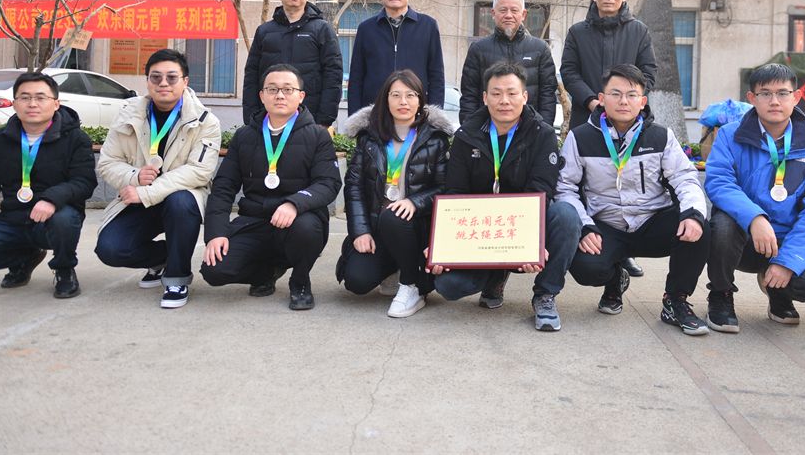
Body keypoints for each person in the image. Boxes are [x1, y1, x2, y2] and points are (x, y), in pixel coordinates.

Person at [558, 64, 711, 335]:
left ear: (642, 101)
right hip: (605, 225)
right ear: (602, 99)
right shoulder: (579, 138)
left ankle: (675, 300)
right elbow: (565, 187)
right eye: (615, 94)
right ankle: (615, 278)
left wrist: (693, 214)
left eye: (631, 95)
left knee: (700, 229)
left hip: (652, 221)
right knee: (585, 267)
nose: (623, 101)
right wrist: (584, 226)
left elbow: (685, 178)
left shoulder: (660, 136)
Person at [430, 62, 580, 332]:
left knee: (567, 216)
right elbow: (454, 194)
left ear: (525, 96)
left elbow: (541, 190)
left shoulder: (543, 134)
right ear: (485, 98)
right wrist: (443, 245)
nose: (504, 101)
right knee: (448, 286)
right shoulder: (466, 136)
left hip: (524, 225)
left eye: (512, 93)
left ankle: (545, 293)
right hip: (484, 229)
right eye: (496, 93)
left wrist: (529, 243)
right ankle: (495, 275)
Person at [704, 63, 805, 333]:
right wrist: (754, 218)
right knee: (722, 225)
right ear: (752, 98)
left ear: (796, 97)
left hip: (787, 239)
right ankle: (721, 294)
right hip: (743, 237)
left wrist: (788, 262)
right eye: (765, 93)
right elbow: (719, 182)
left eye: (783, 93)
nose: (774, 101)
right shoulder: (730, 135)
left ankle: (779, 291)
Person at [201, 64, 342, 310]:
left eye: (288, 89)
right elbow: (223, 188)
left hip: (298, 219)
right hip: (255, 220)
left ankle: (300, 281)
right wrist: (216, 233)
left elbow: (328, 183)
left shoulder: (318, 136)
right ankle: (265, 273)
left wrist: (294, 203)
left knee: (306, 229)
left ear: (301, 96)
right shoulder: (244, 136)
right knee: (215, 270)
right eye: (272, 89)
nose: (280, 95)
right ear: (262, 95)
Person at [0, 72, 96, 299]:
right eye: (25, 97)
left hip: (53, 219)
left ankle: (64, 268)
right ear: (15, 103)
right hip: (12, 220)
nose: (32, 104)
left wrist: (51, 199)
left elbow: (84, 181)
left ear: (56, 103)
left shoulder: (76, 139)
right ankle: (25, 257)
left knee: (64, 220)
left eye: (40, 97)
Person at [95, 49, 221, 309]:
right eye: (156, 77)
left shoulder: (205, 121)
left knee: (180, 202)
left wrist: (146, 192)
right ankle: (161, 258)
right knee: (110, 249)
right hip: (138, 197)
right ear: (147, 81)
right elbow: (107, 163)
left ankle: (177, 278)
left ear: (185, 81)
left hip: (181, 198)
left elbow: (199, 171)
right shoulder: (128, 115)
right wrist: (134, 176)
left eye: (172, 77)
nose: (163, 83)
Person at [560, 0, 657, 278]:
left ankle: (625, 252)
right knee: (587, 183)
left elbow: (649, 72)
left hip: (630, 121)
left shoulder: (638, 31)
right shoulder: (578, 32)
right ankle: (589, 238)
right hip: (588, 117)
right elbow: (568, 71)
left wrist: (625, 100)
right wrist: (593, 101)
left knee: (626, 183)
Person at [337, 69, 453, 317]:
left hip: (416, 229)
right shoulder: (369, 137)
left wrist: (415, 202)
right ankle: (396, 269)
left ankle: (411, 285)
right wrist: (360, 231)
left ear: (420, 100)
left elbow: (446, 188)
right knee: (357, 281)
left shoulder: (435, 139)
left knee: (394, 215)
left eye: (410, 95)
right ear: (385, 99)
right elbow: (354, 187)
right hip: (377, 227)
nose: (403, 102)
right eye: (396, 95)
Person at [242, 0, 343, 127]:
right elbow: (251, 75)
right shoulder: (264, 31)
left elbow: (333, 74)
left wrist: (325, 118)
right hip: (269, 116)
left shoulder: (322, 29)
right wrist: (251, 116)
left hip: (310, 116)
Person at [347, 0, 445, 114]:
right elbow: (356, 77)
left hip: (415, 111)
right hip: (374, 111)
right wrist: (355, 117)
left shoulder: (428, 26)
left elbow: (436, 75)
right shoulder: (366, 29)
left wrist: (434, 116)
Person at [459, 0, 557, 125]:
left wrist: (543, 128)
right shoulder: (478, 49)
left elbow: (548, 95)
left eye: (514, 10)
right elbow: (469, 94)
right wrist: (470, 129)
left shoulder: (540, 49)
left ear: (523, 14)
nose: (508, 15)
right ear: (493, 13)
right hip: (488, 128)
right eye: (503, 10)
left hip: (530, 128)